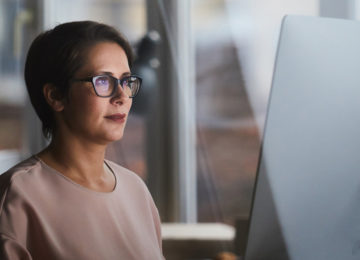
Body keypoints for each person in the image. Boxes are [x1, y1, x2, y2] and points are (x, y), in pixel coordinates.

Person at [0, 21, 164, 259]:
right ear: (55, 95)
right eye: (103, 81)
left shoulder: (135, 189)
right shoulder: (17, 196)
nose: (122, 96)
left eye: (126, 81)